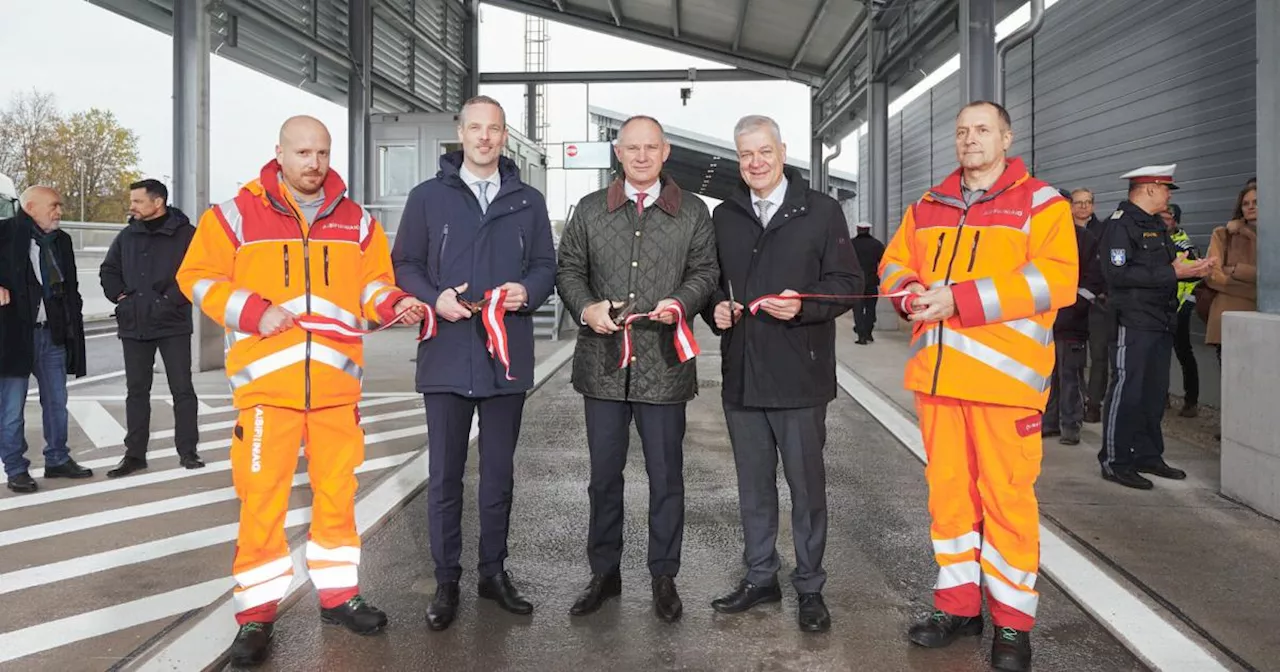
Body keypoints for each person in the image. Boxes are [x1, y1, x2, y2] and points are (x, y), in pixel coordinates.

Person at [177, 115, 428, 666]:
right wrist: (253, 311)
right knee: (261, 503)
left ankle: (338, 594)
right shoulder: (234, 216)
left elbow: (373, 285)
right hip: (267, 392)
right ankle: (256, 613)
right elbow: (196, 276)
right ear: (280, 154)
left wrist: (392, 304)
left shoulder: (357, 222)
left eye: (322, 152)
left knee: (337, 498)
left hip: (337, 390)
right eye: (303, 153)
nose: (314, 164)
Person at [879, 101, 1078, 672]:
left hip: (1003, 388)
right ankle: (959, 606)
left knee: (1007, 502)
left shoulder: (1042, 204)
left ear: (1007, 137)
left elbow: (1055, 279)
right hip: (938, 384)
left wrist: (960, 299)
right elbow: (893, 266)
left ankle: (1013, 626)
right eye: (962, 131)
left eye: (982, 130)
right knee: (949, 500)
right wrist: (910, 288)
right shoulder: (926, 205)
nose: (970, 139)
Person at [391, 96, 557, 631]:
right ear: (460, 133)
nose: (485, 138)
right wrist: (432, 297)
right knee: (444, 476)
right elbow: (406, 264)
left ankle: (493, 572)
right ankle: (447, 580)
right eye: (476, 128)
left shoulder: (528, 201)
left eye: (495, 129)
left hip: (504, 356)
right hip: (445, 354)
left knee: (499, 475)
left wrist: (524, 292)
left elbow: (545, 267)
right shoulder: (426, 198)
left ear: (503, 137)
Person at [701, 115, 862, 632]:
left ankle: (810, 585)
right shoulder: (724, 215)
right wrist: (714, 312)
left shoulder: (820, 211)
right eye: (746, 154)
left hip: (799, 375)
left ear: (782, 151)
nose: (756, 163)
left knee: (806, 487)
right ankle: (760, 577)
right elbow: (709, 284)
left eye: (764, 152)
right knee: (753, 487)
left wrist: (805, 306)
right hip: (742, 374)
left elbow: (848, 283)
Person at [555, 115, 719, 623]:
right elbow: (568, 270)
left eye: (651, 147)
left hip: (664, 365)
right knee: (604, 477)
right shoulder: (588, 210)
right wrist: (586, 309)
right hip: (603, 365)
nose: (642, 156)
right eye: (633, 148)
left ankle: (664, 576)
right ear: (618, 153)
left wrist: (681, 300)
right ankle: (604, 573)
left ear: (666, 152)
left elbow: (706, 271)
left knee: (666, 477)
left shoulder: (692, 212)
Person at [1097, 164, 1214, 491]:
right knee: (1128, 390)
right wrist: (1172, 274)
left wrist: (1195, 268)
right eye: (1165, 189)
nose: (1168, 195)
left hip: (1161, 320)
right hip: (1133, 321)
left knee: (1152, 393)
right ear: (1148, 189)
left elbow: (1170, 266)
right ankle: (1115, 460)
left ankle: (1147, 455)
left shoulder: (1157, 226)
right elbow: (1116, 275)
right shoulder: (1119, 227)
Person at [99, 178, 205, 477]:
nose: (131, 206)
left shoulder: (186, 235)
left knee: (182, 390)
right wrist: (122, 298)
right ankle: (134, 455)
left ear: (157, 202)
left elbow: (195, 273)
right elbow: (109, 270)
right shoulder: (127, 235)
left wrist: (167, 301)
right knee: (136, 391)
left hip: (172, 323)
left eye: (137, 201)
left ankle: (188, 451)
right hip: (134, 324)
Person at [0, 185, 93, 493]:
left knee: (57, 402)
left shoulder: (60, 241)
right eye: (53, 205)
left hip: (51, 334)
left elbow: (71, 287)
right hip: (13, 336)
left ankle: (57, 459)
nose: (59, 211)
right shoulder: (4, 234)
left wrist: (71, 323)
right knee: (11, 409)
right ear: (30, 207)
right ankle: (15, 468)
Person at [1043, 193, 1104, 446]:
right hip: (1044, 321)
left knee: (1070, 375)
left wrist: (1074, 305)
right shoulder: (1041, 239)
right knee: (1046, 375)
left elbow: (1093, 279)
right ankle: (1048, 423)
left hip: (1071, 322)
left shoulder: (1085, 239)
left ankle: (1070, 425)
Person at [1203, 184, 1258, 361]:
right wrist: (1257, 290)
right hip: (1228, 321)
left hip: (1264, 324)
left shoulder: (1272, 236)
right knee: (1231, 385)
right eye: (1245, 203)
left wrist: (1237, 271)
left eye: (1257, 202)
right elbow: (1213, 277)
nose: (1250, 206)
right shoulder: (1223, 234)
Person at [1069, 188, 1110, 424]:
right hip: (1068, 302)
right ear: (1071, 206)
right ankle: (1074, 399)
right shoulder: (1061, 231)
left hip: (1095, 301)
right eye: (1078, 203)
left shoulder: (1104, 231)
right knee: (1071, 357)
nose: (1083, 207)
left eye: (1088, 202)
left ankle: (1094, 403)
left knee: (1098, 354)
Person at [1160, 204, 1202, 417]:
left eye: (1167, 217)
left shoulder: (1184, 245)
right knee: (1160, 354)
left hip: (1180, 309)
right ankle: (1162, 396)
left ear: (1175, 221)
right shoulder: (1157, 239)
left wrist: (1185, 306)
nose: (1163, 220)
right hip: (1160, 308)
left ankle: (1191, 401)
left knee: (1184, 353)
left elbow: (1196, 277)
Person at [851, 222, 885, 344]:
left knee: (858, 310)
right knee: (871, 309)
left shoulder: (851, 244)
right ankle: (868, 333)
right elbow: (884, 261)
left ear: (858, 229)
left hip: (856, 282)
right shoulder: (876, 244)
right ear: (869, 230)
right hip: (871, 281)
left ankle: (861, 336)